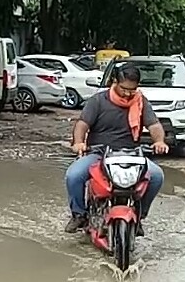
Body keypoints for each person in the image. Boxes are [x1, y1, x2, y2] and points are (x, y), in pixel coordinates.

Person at [64, 65, 168, 234]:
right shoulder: (98, 100)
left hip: (131, 154)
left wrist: (159, 141)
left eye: (132, 90)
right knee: (73, 175)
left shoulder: (141, 102)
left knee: (157, 176)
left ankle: (139, 215)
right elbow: (82, 124)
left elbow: (154, 125)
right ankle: (79, 215)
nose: (128, 94)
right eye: (124, 89)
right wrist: (79, 142)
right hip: (99, 153)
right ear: (115, 82)